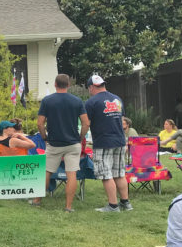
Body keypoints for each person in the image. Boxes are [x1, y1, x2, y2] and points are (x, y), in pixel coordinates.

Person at [37, 73, 90, 212]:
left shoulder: (47, 101)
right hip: (73, 143)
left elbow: (40, 124)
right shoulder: (77, 101)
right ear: (68, 85)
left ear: (55, 84)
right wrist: (80, 137)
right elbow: (86, 123)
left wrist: (44, 138)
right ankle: (68, 206)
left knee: (47, 171)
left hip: (54, 143)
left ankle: (37, 200)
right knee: (71, 174)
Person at [85, 75, 132, 213]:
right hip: (120, 140)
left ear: (91, 87)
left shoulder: (91, 102)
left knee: (106, 174)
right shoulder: (117, 99)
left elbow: (86, 122)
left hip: (103, 141)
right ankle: (126, 203)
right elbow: (122, 119)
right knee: (119, 173)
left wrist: (82, 136)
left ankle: (113, 205)